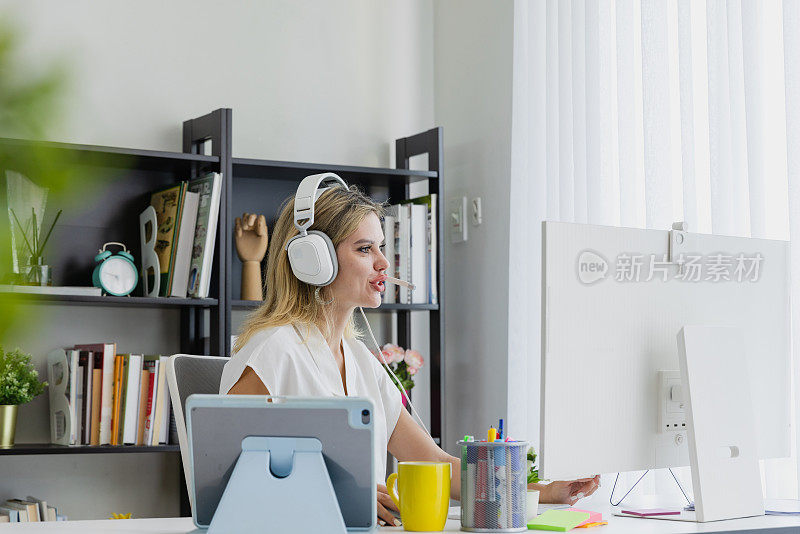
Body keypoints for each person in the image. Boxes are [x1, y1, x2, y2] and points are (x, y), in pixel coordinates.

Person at [220, 180, 599, 526]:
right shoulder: (274, 354)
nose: (384, 263)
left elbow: (432, 463)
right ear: (313, 260)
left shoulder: (361, 362)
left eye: (381, 247)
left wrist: (545, 492)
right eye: (365, 249)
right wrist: (335, 499)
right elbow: (226, 479)